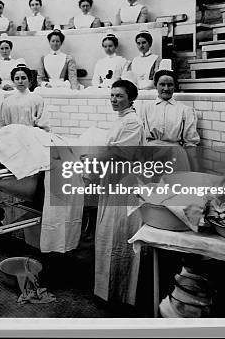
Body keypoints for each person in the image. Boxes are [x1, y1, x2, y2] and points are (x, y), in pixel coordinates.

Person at [94, 79, 146, 307]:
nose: (114, 100)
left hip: (125, 184)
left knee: (119, 236)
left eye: (119, 96)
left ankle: (120, 295)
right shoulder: (122, 119)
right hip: (113, 180)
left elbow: (118, 153)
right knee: (108, 235)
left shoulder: (133, 122)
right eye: (112, 95)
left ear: (131, 98)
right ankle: (107, 291)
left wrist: (91, 161)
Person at [138, 60, 200, 171]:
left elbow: (190, 144)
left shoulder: (185, 110)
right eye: (162, 84)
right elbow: (138, 138)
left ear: (175, 86)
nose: (166, 88)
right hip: (150, 155)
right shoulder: (145, 108)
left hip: (175, 157)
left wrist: (195, 171)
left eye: (170, 85)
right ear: (156, 85)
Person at [0, 64, 50, 131]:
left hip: (32, 135)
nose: (20, 81)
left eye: (23, 78)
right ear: (13, 81)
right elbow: (2, 125)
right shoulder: (7, 102)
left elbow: (44, 125)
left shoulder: (37, 100)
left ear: (29, 80)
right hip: (12, 135)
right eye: (17, 79)